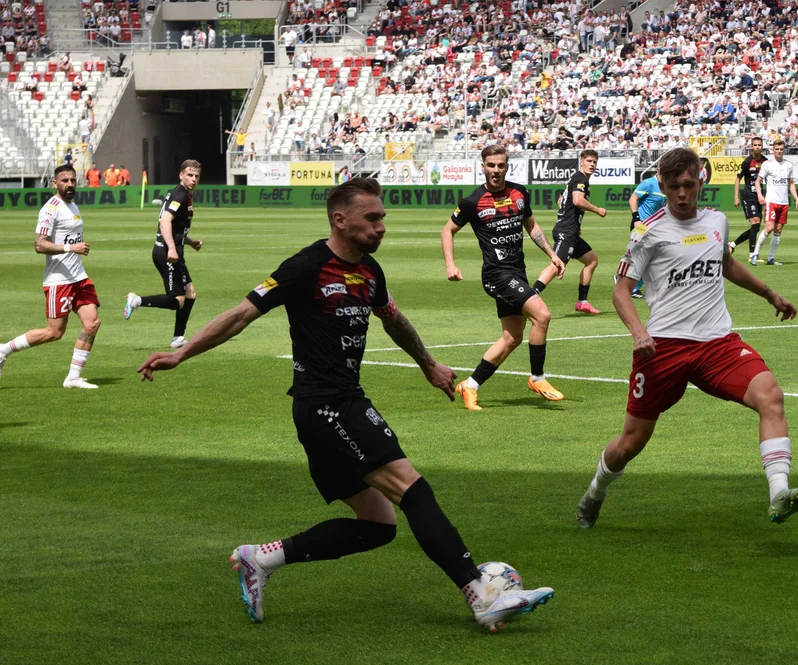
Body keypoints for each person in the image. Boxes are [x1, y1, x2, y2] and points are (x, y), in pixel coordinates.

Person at [135, 178, 555, 631]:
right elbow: (239, 315)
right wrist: (181, 353)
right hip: (325, 405)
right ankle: (479, 593)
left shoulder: (370, 271)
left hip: (335, 406)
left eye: (382, 218)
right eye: (371, 218)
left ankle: (260, 559)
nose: (381, 226)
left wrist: (428, 364)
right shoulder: (306, 266)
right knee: (413, 489)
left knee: (378, 525)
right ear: (340, 219)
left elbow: (394, 319)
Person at [575, 148, 798, 530]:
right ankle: (594, 493)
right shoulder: (646, 231)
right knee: (630, 443)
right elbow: (621, 291)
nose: (682, 193)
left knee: (771, 396)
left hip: (717, 342)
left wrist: (770, 294)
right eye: (674, 187)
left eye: (688, 185)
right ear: (663, 187)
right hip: (663, 347)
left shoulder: (717, 220)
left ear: (701, 181)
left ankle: (778, 494)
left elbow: (726, 263)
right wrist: (639, 332)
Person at [440, 144, 566, 411]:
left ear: (507, 166)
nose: (496, 170)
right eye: (491, 165)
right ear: (483, 166)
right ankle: (537, 378)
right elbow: (447, 231)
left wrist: (552, 254)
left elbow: (531, 225)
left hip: (516, 271)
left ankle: (470, 386)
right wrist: (451, 264)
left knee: (512, 338)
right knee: (542, 316)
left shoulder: (520, 192)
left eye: (501, 165)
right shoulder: (472, 202)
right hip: (496, 274)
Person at [0, 164, 101, 390]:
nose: (70, 184)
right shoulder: (50, 209)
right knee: (54, 332)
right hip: (59, 280)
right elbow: (39, 245)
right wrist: (70, 249)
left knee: (92, 322)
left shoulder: (72, 204)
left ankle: (73, 377)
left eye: (73, 180)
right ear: (55, 183)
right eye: (65, 181)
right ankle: (3, 350)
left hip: (78, 277)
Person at [122, 160, 204, 348]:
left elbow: (175, 227)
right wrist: (172, 248)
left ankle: (178, 338)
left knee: (190, 294)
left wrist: (189, 242)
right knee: (177, 301)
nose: (193, 179)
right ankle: (137, 301)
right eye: (190, 175)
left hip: (174, 251)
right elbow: (165, 221)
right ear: (181, 175)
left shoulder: (182, 194)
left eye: (196, 176)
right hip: (167, 253)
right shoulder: (180, 195)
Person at [533, 149, 606, 315]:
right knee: (556, 266)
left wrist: (574, 222)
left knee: (592, 260)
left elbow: (561, 200)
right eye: (589, 161)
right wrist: (597, 210)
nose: (592, 165)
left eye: (594, 162)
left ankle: (582, 302)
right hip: (566, 232)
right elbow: (577, 200)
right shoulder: (581, 179)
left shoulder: (576, 178)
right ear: (581, 161)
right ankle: (529, 297)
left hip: (571, 231)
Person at [752, 138, 798, 267]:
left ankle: (771, 258)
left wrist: (796, 198)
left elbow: (791, 183)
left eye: (781, 149)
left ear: (784, 150)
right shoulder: (767, 164)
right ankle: (755, 254)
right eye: (777, 149)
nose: (779, 151)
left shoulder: (788, 165)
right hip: (771, 201)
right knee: (769, 227)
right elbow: (758, 181)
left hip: (784, 202)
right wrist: (760, 195)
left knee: (778, 230)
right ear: (773, 150)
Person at [625, 172, 667, 299]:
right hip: (642, 225)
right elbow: (633, 198)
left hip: (654, 227)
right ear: (659, 170)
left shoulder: (666, 185)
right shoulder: (648, 183)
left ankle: (631, 284)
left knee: (653, 257)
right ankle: (629, 284)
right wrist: (636, 218)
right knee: (649, 257)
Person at [730, 136, 767, 256]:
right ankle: (752, 255)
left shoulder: (765, 162)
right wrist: (736, 197)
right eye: (755, 145)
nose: (757, 147)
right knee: (755, 223)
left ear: (762, 147)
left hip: (759, 196)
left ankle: (733, 245)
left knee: (756, 228)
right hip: (748, 195)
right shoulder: (747, 162)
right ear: (752, 147)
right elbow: (738, 179)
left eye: (759, 145)